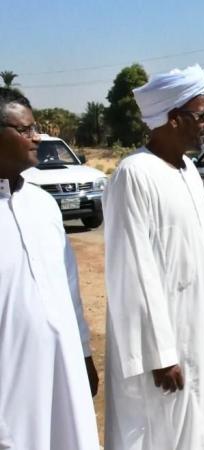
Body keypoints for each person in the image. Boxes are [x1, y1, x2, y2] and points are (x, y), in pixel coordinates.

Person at [103, 65, 204, 450]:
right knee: (169, 432)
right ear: (173, 119)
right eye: (201, 115)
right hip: (168, 341)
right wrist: (161, 353)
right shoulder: (133, 174)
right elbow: (134, 271)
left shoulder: (187, 169)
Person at [0, 87, 100, 449]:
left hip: (64, 371)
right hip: (12, 385)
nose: (36, 137)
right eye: (24, 130)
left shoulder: (43, 205)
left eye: (35, 127)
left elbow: (70, 288)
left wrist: (85, 354)